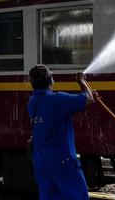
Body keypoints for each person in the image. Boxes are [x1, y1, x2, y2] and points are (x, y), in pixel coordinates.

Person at [28, 64, 94, 200]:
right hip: (62, 161)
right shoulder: (58, 99)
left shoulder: (33, 101)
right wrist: (82, 82)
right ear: (50, 80)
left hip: (41, 163)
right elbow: (89, 99)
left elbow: (52, 118)